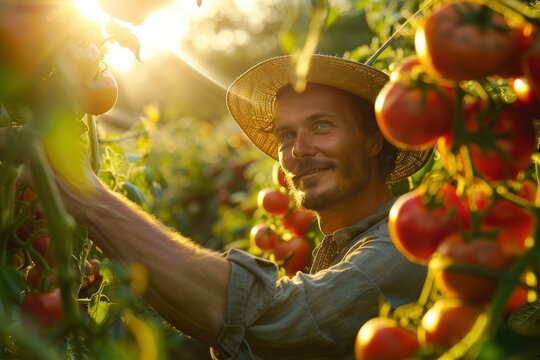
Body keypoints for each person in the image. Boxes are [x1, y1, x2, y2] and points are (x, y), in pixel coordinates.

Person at [15, 54, 431, 359]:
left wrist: (86, 197)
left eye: (321, 125)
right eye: (286, 136)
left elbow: (280, 320)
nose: (298, 150)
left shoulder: (405, 245)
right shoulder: (338, 252)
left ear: (374, 141)